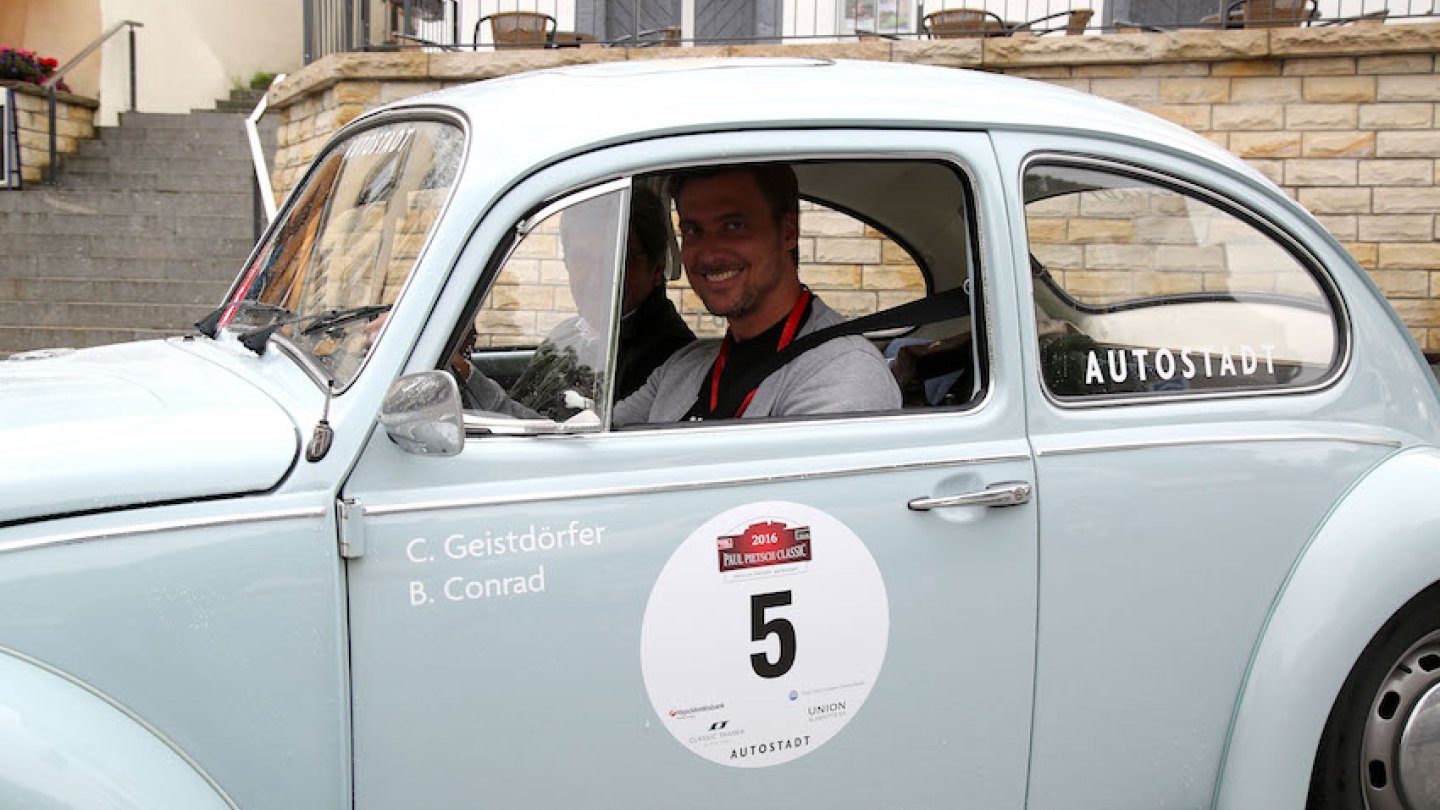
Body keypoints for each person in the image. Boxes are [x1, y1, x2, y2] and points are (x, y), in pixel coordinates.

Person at [612, 165, 901, 426]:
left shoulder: (843, 373)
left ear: (788, 232)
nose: (709, 254)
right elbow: (591, 444)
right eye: (694, 230)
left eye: (734, 226)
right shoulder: (685, 366)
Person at [456, 185, 694, 419]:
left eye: (614, 259)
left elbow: (557, 441)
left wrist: (468, 376)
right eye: (581, 257)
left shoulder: (668, 361)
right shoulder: (567, 333)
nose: (594, 276)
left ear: (656, 268)